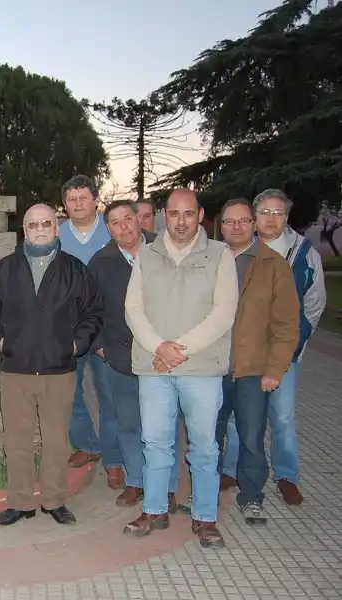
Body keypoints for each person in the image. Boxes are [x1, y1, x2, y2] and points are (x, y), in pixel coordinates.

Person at [123, 188, 237, 548]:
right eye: (174, 214)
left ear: (200, 215)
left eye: (189, 214)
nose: (181, 221)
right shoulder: (147, 255)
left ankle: (205, 517)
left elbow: (223, 314)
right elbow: (133, 309)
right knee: (155, 442)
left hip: (201, 368)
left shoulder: (220, 255)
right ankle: (155, 509)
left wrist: (177, 351)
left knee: (204, 447)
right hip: (153, 366)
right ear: (163, 217)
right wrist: (159, 346)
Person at [0, 203, 103, 527]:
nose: (40, 229)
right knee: (16, 440)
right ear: (25, 229)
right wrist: (0, 343)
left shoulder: (75, 270)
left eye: (46, 223)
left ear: (56, 227)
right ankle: (20, 503)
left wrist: (75, 345)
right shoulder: (5, 269)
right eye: (33, 225)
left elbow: (93, 312)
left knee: (57, 441)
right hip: (15, 370)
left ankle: (54, 501)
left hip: (58, 372)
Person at [222, 188, 325, 505]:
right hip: (244, 356)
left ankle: (286, 475)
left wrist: (296, 347)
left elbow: (314, 304)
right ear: (254, 218)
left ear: (287, 218)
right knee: (240, 420)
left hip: (283, 355)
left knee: (281, 417)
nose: (270, 219)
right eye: (264, 212)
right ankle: (231, 469)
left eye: (277, 213)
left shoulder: (303, 254)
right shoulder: (236, 252)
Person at [88, 200, 182, 508]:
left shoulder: (164, 250)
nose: (123, 226)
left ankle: (165, 484)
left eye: (128, 218)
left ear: (139, 220)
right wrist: (100, 346)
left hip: (163, 354)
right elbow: (89, 309)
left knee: (163, 424)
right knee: (128, 423)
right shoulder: (101, 262)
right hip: (121, 357)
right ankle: (136, 481)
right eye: (115, 222)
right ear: (109, 228)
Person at [214, 198, 299, 524]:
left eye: (243, 221)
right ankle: (205, 493)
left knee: (251, 438)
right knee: (208, 437)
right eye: (229, 221)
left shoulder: (273, 265)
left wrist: (275, 370)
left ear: (252, 223)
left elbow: (286, 325)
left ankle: (251, 497)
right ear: (220, 226)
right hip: (213, 369)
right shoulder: (210, 260)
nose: (236, 227)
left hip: (252, 371)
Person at [57, 175, 123, 487]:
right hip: (68, 330)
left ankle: (114, 459)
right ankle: (88, 444)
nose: (78, 204)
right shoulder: (55, 235)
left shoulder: (111, 231)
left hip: (106, 330)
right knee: (68, 393)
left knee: (109, 395)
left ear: (95, 200)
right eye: (72, 199)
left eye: (84, 197)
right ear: (65, 204)